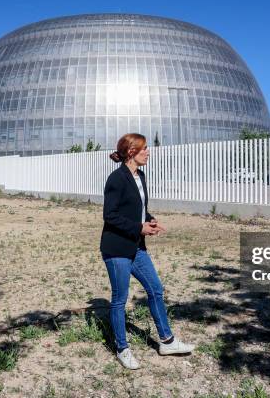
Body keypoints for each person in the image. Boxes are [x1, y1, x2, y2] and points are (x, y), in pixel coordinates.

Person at [100, 133, 195, 370]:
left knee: (156, 290)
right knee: (120, 300)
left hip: (137, 247)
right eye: (144, 149)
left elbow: (138, 209)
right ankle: (122, 348)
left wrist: (149, 220)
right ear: (131, 151)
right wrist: (139, 227)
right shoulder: (116, 178)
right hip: (117, 249)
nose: (148, 152)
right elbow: (110, 216)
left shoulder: (140, 175)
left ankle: (167, 341)